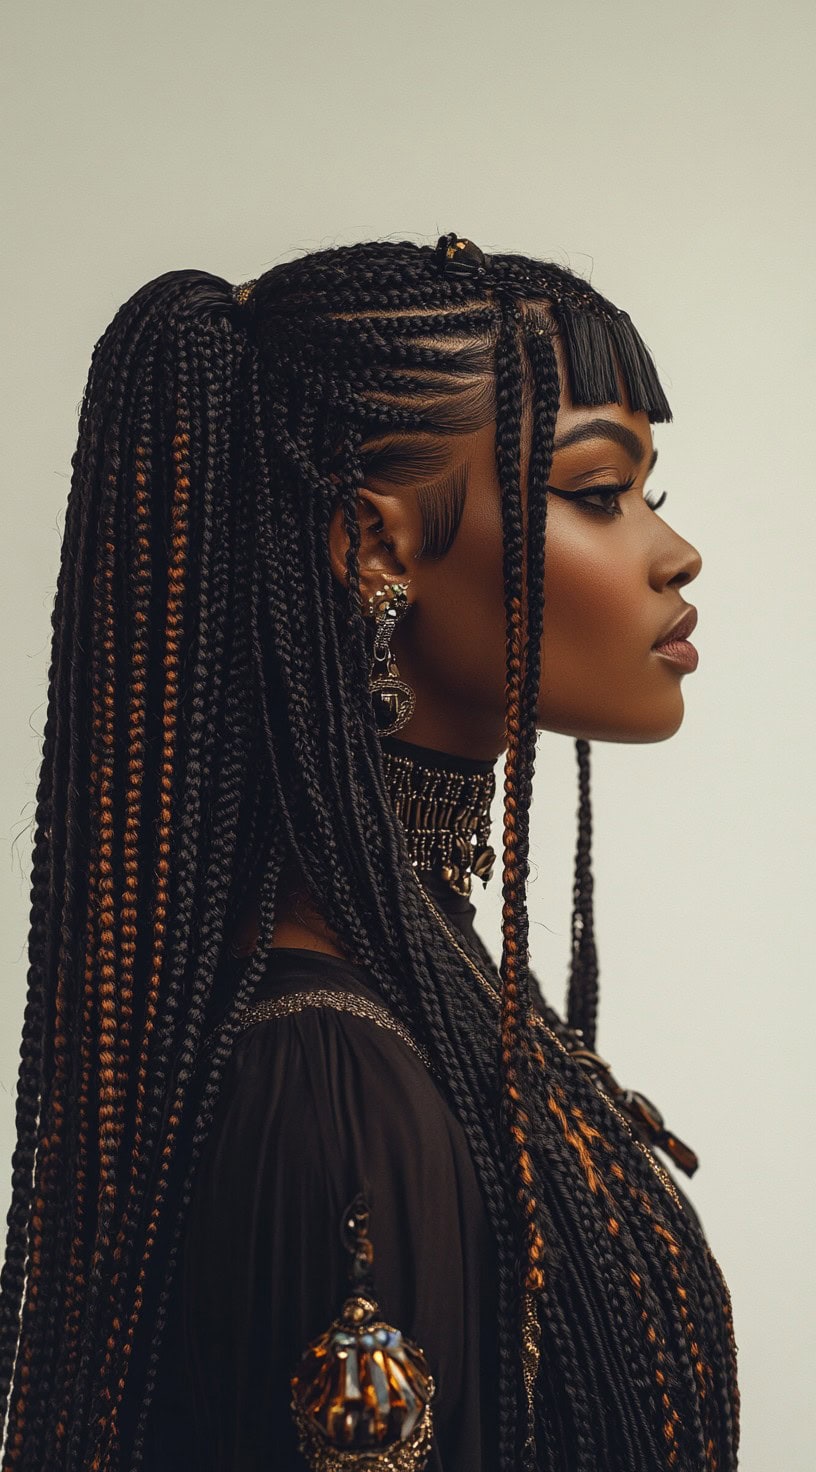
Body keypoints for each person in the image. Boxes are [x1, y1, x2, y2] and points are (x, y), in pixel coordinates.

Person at [0, 234, 739, 1471]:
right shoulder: (336, 1088)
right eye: (599, 493)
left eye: (649, 497)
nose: (674, 552)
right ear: (375, 547)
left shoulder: (416, 970)